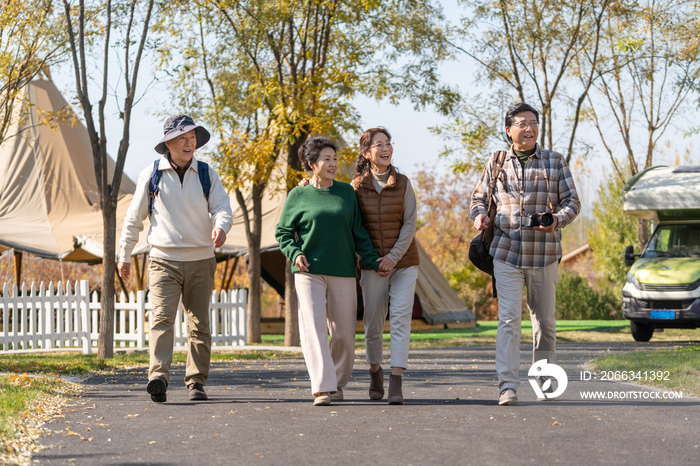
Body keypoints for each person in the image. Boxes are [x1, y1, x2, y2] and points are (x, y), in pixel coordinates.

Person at [470, 103, 581, 406]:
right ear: (509, 130)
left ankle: (544, 381)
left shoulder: (554, 162)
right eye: (522, 123)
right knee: (508, 321)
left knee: (544, 323)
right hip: (506, 252)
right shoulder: (496, 162)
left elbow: (573, 201)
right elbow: (478, 198)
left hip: (545, 254)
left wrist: (557, 219)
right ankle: (508, 386)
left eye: (533, 122)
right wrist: (479, 216)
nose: (529, 128)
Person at [117, 115, 233, 403]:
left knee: (199, 324)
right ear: (168, 143)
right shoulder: (152, 174)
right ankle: (158, 376)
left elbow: (222, 207)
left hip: (201, 259)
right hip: (162, 260)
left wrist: (221, 226)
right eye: (182, 137)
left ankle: (196, 382)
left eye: (192, 137)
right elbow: (133, 220)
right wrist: (125, 255)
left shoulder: (207, 173)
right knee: (161, 319)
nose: (189, 142)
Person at [275, 137, 384, 406]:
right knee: (313, 327)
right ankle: (322, 387)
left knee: (344, 333)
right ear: (312, 164)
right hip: (308, 271)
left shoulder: (346, 192)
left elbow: (358, 232)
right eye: (327, 159)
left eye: (335, 159)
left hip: (343, 271)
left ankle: (337, 381)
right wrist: (295, 253)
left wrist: (374, 260)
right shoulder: (298, 195)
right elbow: (283, 232)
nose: (333, 164)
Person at [352, 127, 419, 405]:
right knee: (373, 324)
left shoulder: (403, 183)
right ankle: (375, 371)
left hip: (403, 263)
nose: (385, 148)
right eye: (378, 144)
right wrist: (375, 260)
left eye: (388, 143)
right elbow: (354, 227)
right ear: (367, 153)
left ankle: (396, 381)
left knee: (401, 320)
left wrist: (393, 257)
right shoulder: (356, 187)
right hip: (371, 265)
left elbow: (410, 224)